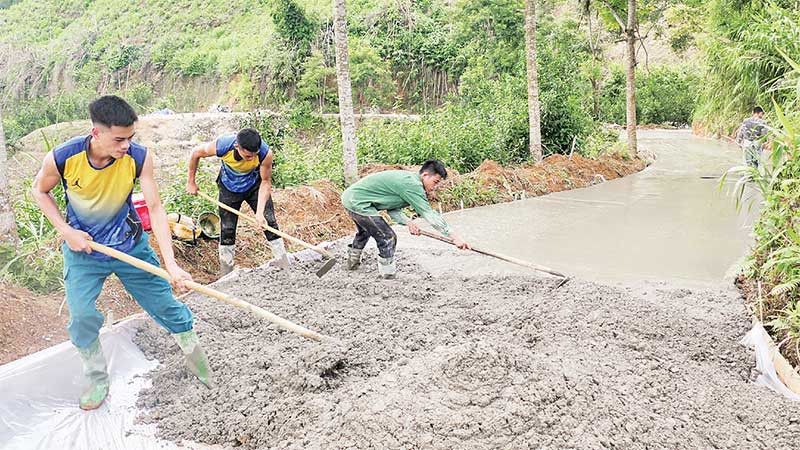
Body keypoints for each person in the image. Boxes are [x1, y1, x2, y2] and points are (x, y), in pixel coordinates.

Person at [31, 95, 212, 410]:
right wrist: (67, 231)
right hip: (84, 251)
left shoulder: (139, 158)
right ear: (96, 133)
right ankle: (97, 379)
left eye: (130, 137)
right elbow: (40, 190)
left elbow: (155, 207)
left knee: (167, 306)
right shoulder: (62, 158)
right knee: (83, 316)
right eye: (119, 139)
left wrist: (171, 264)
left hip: (131, 245)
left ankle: (199, 364)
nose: (126, 145)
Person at [341, 159, 470, 279]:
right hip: (358, 202)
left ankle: (352, 265)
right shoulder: (412, 185)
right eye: (435, 182)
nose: (435, 187)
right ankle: (388, 275)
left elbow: (392, 208)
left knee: (366, 230)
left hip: (352, 198)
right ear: (425, 175)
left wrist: (408, 222)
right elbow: (429, 214)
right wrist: (454, 237)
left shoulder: (408, 181)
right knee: (387, 236)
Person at [186, 128, 288, 275]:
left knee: (269, 222)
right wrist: (191, 182)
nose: (252, 158)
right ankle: (226, 272)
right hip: (229, 188)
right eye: (247, 156)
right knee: (227, 229)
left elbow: (265, 182)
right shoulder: (223, 146)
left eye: (254, 155)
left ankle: (284, 263)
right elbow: (196, 152)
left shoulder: (265, 154)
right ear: (237, 147)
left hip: (254, 186)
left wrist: (259, 214)